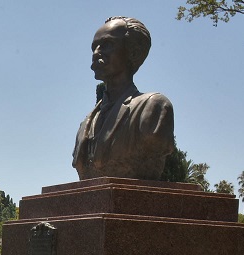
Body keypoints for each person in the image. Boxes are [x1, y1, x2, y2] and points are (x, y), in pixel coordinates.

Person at [72, 16, 174, 181]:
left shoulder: (153, 107)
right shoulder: (87, 122)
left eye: (107, 45)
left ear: (132, 52)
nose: (96, 52)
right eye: (94, 47)